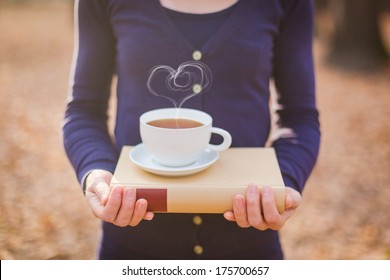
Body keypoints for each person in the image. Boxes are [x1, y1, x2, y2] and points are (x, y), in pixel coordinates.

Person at [63, 0, 320, 259]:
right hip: (130, 248)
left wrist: (282, 184)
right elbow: (84, 111)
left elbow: (299, 117)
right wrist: (96, 171)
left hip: (249, 250)